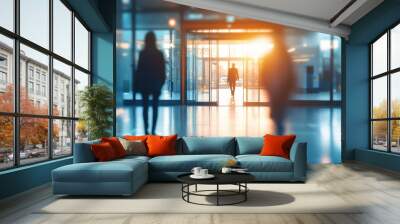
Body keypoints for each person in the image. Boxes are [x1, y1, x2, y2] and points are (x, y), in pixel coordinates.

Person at [260, 32, 296, 135]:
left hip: (279, 91)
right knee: (278, 116)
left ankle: (279, 135)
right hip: (276, 90)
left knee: (278, 116)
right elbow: (264, 74)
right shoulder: (284, 56)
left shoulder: (279, 56)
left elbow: (291, 75)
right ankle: (279, 134)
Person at [134, 31, 166, 135]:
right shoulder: (159, 53)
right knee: (155, 108)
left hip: (145, 84)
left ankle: (146, 130)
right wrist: (161, 83)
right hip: (156, 83)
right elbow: (163, 70)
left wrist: (137, 84)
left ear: (146, 40)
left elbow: (139, 70)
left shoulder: (142, 53)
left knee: (145, 108)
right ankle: (153, 130)